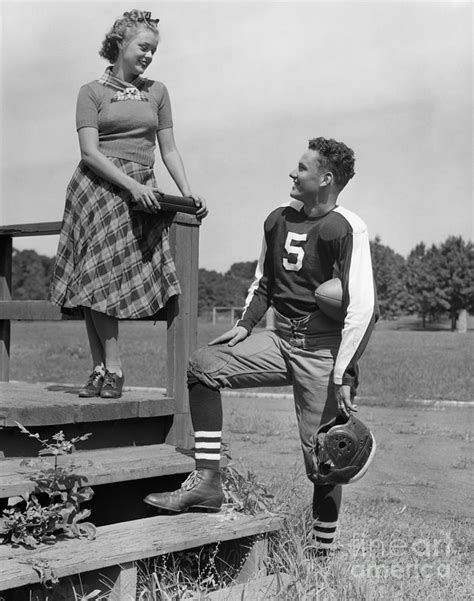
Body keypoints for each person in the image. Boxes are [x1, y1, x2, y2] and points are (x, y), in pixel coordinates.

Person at [144, 137, 378, 555]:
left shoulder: (346, 227)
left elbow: (362, 308)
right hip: (280, 336)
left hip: (323, 349)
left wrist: (345, 372)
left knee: (326, 455)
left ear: (325, 179)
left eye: (302, 168)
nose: (292, 173)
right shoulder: (277, 220)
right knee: (204, 365)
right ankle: (208, 483)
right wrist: (245, 325)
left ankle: (321, 554)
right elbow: (263, 283)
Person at [50, 10, 207, 399]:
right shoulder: (91, 91)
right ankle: (109, 370)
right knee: (94, 279)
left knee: (102, 280)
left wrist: (187, 191)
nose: (149, 56)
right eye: (143, 47)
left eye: (153, 50)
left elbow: (168, 148)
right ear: (120, 43)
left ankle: (103, 370)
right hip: (98, 191)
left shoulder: (157, 91)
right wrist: (130, 187)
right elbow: (89, 152)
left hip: (142, 192)